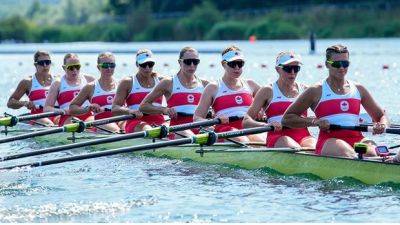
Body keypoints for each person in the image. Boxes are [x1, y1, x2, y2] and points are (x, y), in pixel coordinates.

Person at [282, 44, 388, 158]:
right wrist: (315, 121)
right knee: (348, 153)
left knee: (373, 153)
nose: (341, 68)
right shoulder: (316, 90)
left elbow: (381, 115)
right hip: (329, 141)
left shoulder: (358, 88)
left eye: (345, 63)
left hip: (357, 138)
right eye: (337, 64)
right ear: (327, 64)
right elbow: (287, 119)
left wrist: (382, 125)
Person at [243, 51, 316, 147]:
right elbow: (246, 121)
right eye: (288, 69)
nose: (293, 73)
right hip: (278, 136)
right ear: (278, 69)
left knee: (314, 147)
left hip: (303, 135)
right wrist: (266, 126)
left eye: (296, 68)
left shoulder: (305, 90)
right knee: (294, 148)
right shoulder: (267, 91)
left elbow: (323, 115)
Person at [194, 45, 263, 142]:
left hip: (248, 128)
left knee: (262, 142)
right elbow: (197, 118)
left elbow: (270, 103)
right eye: (232, 64)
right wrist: (212, 122)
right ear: (223, 64)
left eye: (240, 63)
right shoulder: (213, 87)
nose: (237, 67)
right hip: (225, 130)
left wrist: (262, 111)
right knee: (244, 141)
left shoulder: (251, 84)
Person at [139, 47, 208, 138]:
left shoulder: (204, 84)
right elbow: (143, 106)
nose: (192, 65)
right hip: (178, 129)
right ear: (180, 62)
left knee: (214, 133)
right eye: (188, 62)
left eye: (195, 62)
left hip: (200, 126)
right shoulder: (168, 82)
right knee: (193, 137)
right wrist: (165, 110)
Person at [112, 49, 170, 133]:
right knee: (150, 131)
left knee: (168, 130)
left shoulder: (161, 80)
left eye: (150, 64)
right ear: (137, 64)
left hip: (159, 121)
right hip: (135, 122)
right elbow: (115, 108)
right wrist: (130, 111)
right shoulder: (128, 82)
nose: (147, 68)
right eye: (143, 64)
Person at [69, 52, 124, 133]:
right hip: (102, 123)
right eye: (105, 65)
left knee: (128, 127)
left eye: (112, 65)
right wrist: (88, 108)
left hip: (122, 120)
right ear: (98, 67)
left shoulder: (121, 84)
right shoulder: (90, 87)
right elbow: (72, 108)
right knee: (117, 130)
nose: (109, 68)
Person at [44, 53, 95, 126]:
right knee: (77, 125)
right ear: (64, 68)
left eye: (77, 67)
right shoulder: (58, 83)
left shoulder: (89, 79)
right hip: (68, 116)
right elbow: (47, 108)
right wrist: (63, 111)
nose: (75, 70)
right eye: (71, 68)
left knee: (92, 124)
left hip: (88, 115)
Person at [7, 50, 56, 125]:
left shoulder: (57, 80)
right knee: (49, 124)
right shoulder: (27, 82)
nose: (45, 65)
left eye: (47, 62)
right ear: (35, 65)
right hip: (38, 117)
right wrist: (25, 103)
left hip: (56, 115)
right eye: (41, 63)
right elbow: (10, 103)